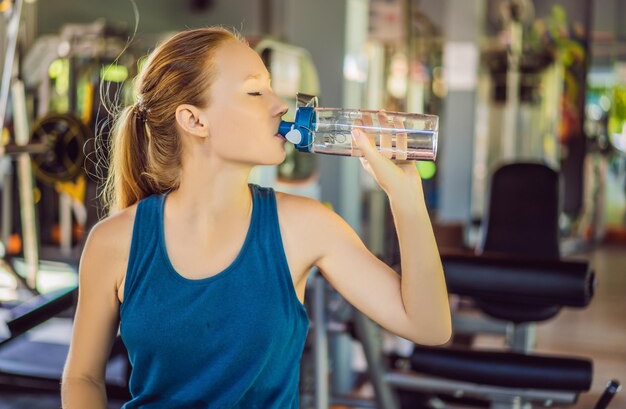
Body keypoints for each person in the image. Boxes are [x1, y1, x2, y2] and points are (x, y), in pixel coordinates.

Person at [60, 26, 451, 409]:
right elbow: (83, 377)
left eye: (271, 87)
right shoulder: (113, 242)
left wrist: (408, 200)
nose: (279, 104)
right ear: (194, 120)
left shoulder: (305, 226)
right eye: (254, 91)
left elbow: (429, 326)